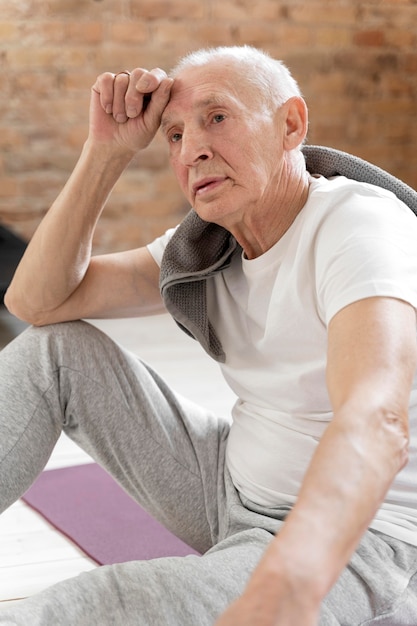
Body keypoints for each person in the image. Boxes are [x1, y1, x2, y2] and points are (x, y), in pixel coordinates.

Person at [1, 44, 417, 626]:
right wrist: (106, 152)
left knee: (98, 607)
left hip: (364, 542)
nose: (193, 148)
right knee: (56, 354)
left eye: (217, 118)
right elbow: (33, 303)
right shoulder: (206, 247)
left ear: (290, 124)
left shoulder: (358, 226)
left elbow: (379, 418)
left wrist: (289, 584)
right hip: (231, 488)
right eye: (172, 136)